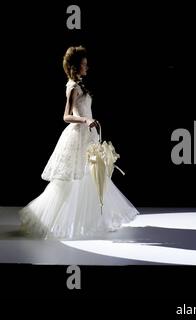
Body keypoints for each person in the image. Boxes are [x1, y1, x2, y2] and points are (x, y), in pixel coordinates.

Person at [18, 45, 139, 239]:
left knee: (90, 177)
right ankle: (47, 219)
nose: (87, 67)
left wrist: (90, 122)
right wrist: (85, 120)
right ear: (76, 67)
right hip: (78, 135)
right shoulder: (73, 87)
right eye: (84, 64)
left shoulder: (80, 85)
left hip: (87, 134)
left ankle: (92, 220)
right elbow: (67, 116)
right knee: (71, 181)